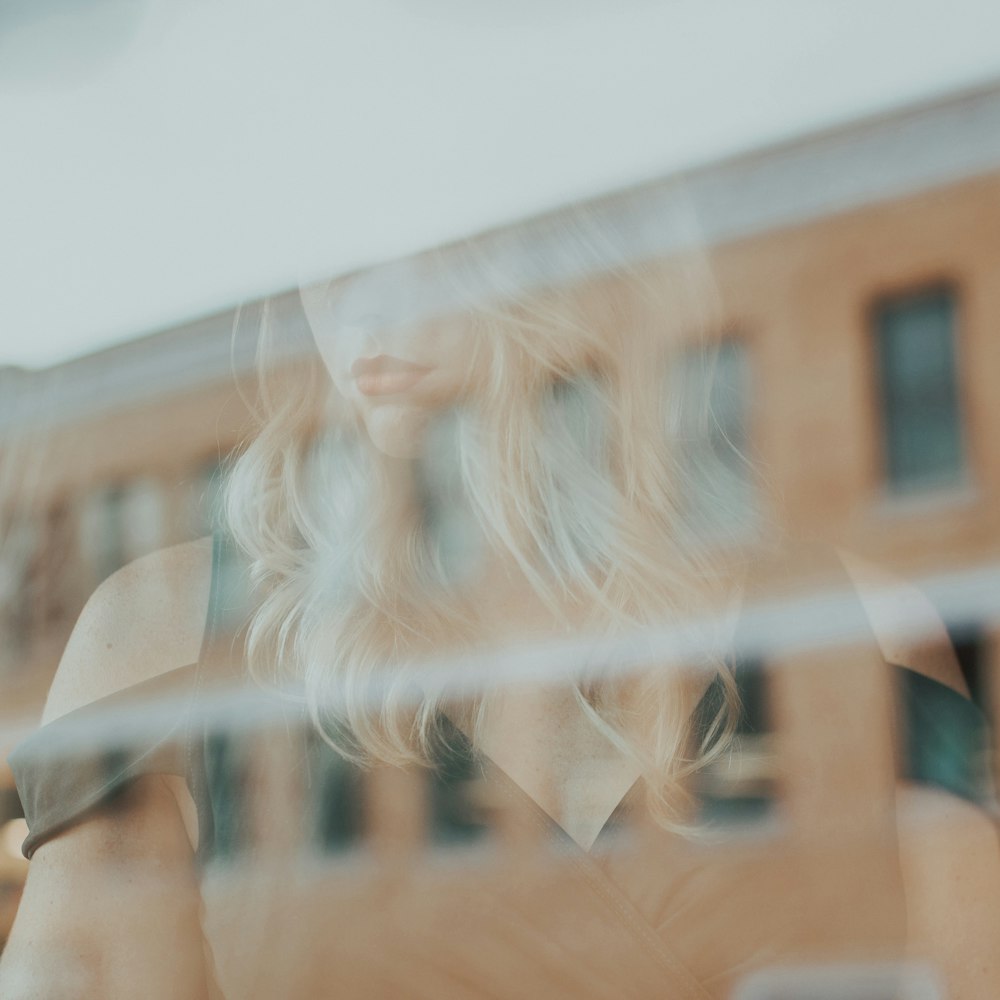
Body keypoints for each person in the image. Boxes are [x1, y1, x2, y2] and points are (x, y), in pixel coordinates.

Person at [2, 203, 999, 999]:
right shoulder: (165, 635)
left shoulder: (839, 619)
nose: (358, 288)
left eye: (432, 210)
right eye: (320, 215)